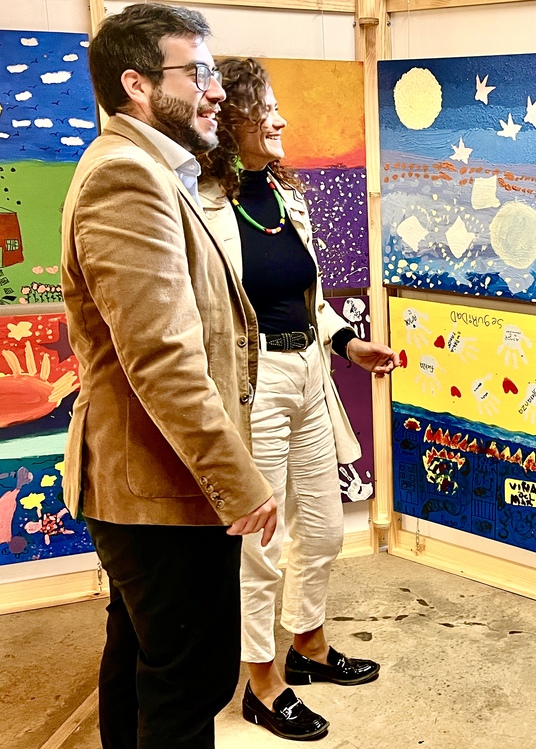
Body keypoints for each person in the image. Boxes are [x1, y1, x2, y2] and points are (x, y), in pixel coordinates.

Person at [60, 5, 280, 748]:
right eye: (200, 72)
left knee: (143, 665)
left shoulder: (150, 168)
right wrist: (238, 481)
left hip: (150, 487)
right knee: (189, 686)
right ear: (138, 84)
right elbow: (162, 358)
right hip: (160, 490)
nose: (217, 90)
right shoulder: (126, 176)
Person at [198, 57, 398, 741]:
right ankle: (261, 682)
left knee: (322, 528)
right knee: (261, 543)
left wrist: (347, 343)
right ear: (230, 120)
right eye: (265, 110)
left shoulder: (287, 195)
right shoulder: (201, 204)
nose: (280, 120)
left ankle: (307, 647)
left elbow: (305, 296)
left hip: (310, 372)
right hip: (253, 383)